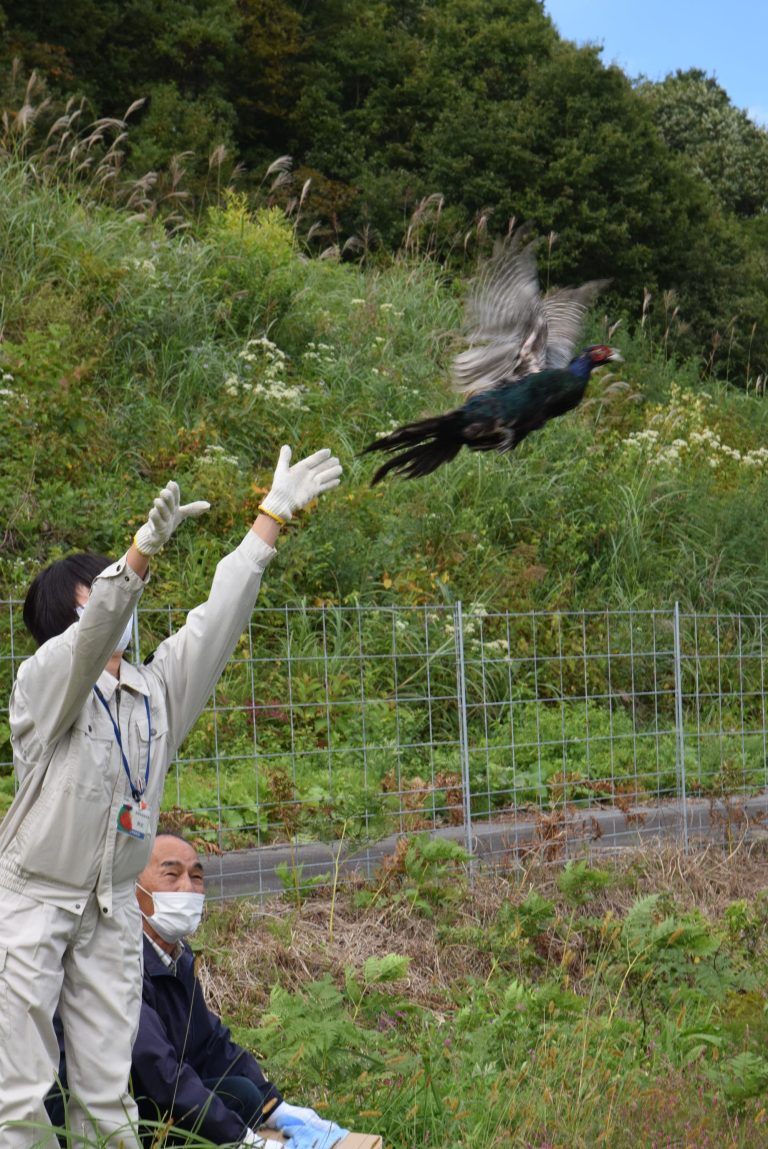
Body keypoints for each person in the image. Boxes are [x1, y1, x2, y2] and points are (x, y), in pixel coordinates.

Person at [0, 445, 342, 1149]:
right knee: (25, 1091)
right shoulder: (42, 685)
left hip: (112, 903)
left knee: (106, 1090)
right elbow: (91, 637)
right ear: (71, 616)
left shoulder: (151, 694)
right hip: (35, 895)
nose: (124, 601)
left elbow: (214, 623)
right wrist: (137, 556)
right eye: (104, 590)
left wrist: (269, 520)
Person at [46, 832, 349, 1149]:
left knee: (244, 1094)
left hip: (152, 1093)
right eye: (171, 874)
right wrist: (242, 1139)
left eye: (196, 876)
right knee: (229, 1105)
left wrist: (274, 1105)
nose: (187, 889)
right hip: (104, 1111)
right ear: (131, 888)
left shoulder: (177, 955)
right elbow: (157, 1069)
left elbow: (211, 1043)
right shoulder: (115, 960)